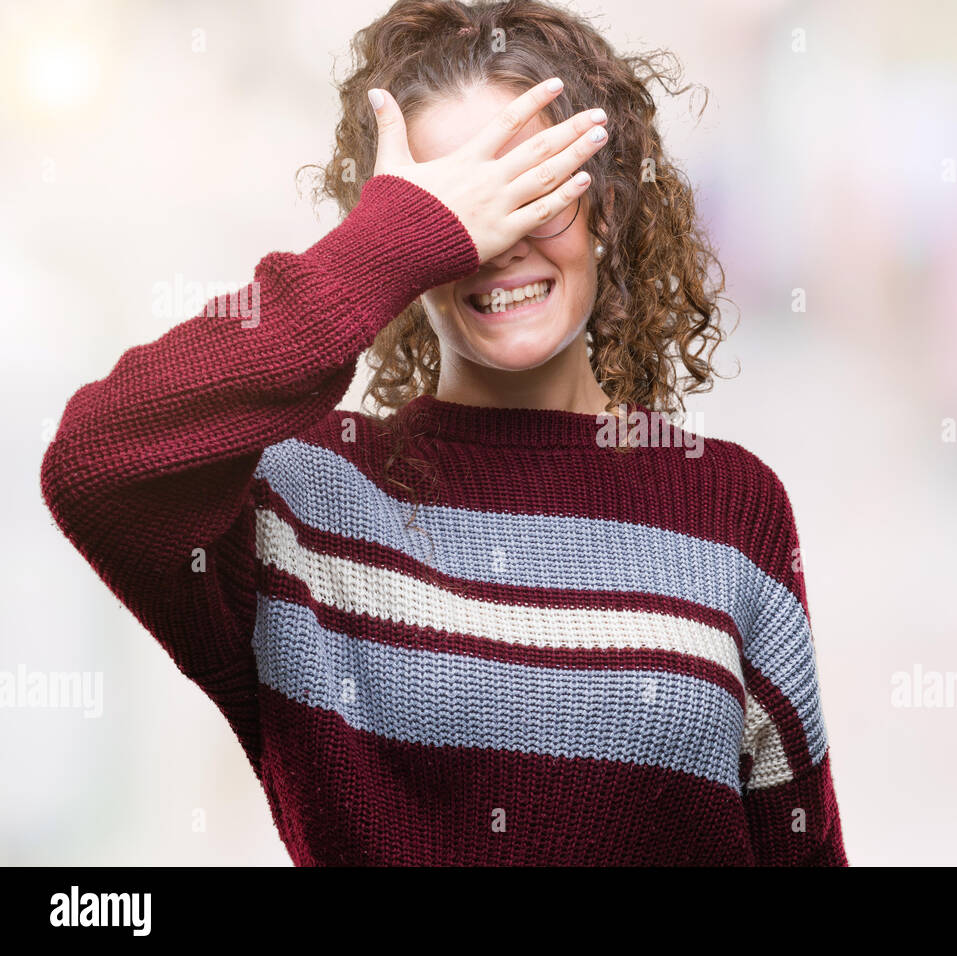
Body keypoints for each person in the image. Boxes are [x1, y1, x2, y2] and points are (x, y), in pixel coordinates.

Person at [40, 0, 847, 866]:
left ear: (607, 206)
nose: (496, 244)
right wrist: (388, 244)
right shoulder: (303, 501)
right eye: (456, 206)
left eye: (529, 187)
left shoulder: (728, 504)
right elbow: (97, 462)